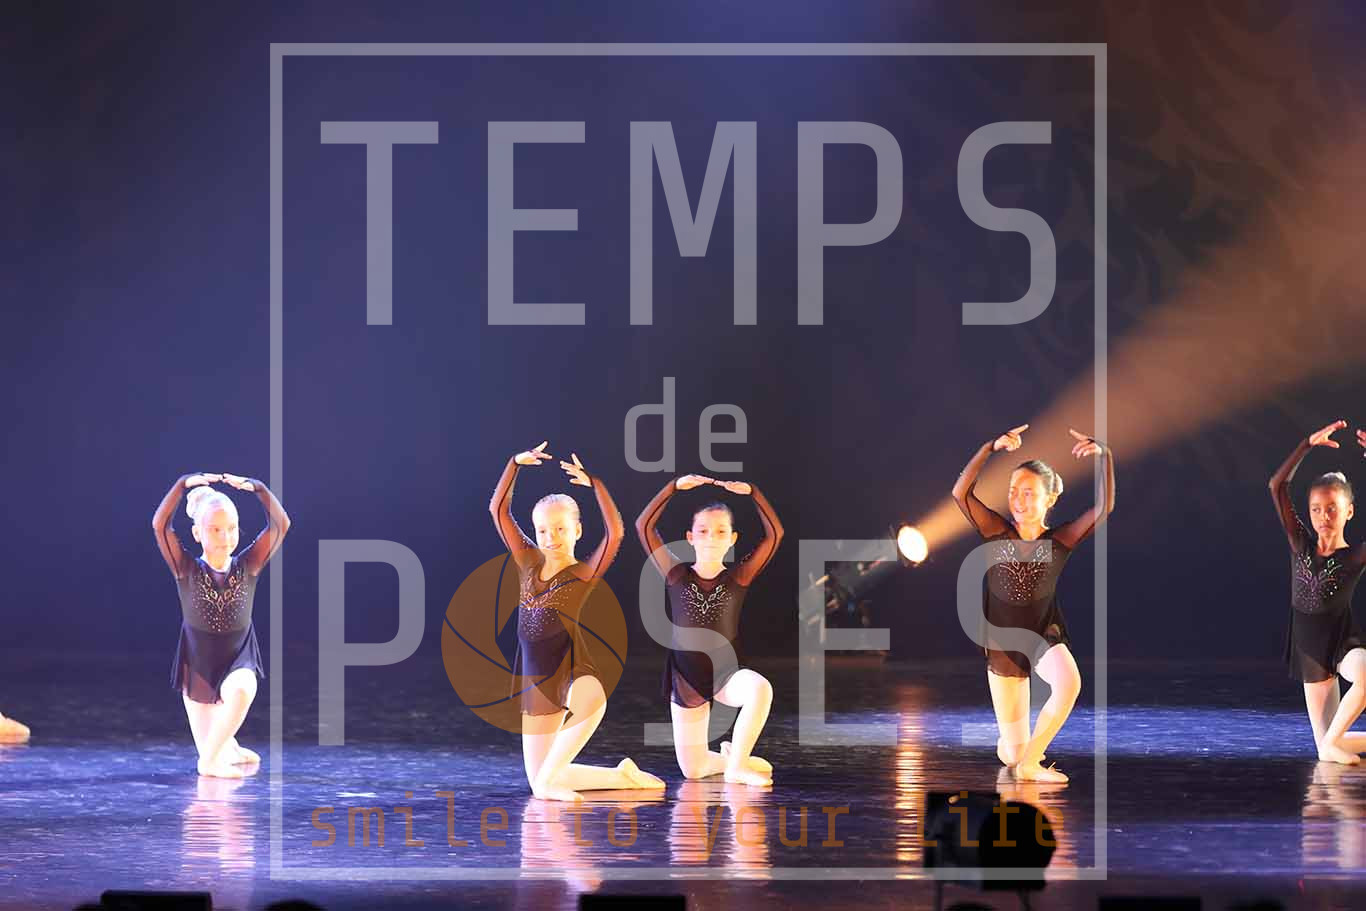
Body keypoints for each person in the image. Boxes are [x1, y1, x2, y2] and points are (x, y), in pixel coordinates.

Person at [490, 442, 665, 802]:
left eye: (560, 529)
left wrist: (595, 484)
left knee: (591, 701)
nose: (550, 538)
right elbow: (498, 510)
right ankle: (623, 778)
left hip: (571, 667)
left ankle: (564, 781)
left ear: (577, 531)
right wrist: (514, 464)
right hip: (536, 679)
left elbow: (615, 534)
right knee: (540, 781)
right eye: (543, 530)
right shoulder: (527, 561)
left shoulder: (583, 574)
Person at [952, 425, 1115, 783]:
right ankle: (1017, 753)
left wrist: (1105, 456)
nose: (1018, 499)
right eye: (1013, 491)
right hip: (1003, 647)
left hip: (1043, 635)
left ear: (1049, 499)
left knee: (1069, 683)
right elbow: (960, 493)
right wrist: (989, 447)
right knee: (1011, 753)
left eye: (1028, 493)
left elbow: (1104, 508)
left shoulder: (1060, 541)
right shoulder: (996, 532)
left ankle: (1033, 761)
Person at [636, 474, 783, 787]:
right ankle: (735, 757)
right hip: (686, 679)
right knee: (694, 770)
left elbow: (775, 535)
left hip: (726, 675)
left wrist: (754, 491)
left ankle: (736, 767)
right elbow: (644, 526)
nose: (711, 538)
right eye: (703, 531)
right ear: (690, 537)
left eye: (720, 531)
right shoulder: (676, 574)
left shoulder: (739, 577)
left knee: (760, 688)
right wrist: (673, 487)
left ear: (732, 538)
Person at [153, 471, 289, 778]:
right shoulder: (185, 568)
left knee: (241, 690)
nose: (225, 537)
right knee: (212, 744)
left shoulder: (248, 565)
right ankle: (229, 749)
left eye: (231, 529)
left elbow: (281, 525)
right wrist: (182, 484)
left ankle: (210, 763)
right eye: (215, 530)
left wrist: (259, 489)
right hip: (199, 666)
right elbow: (160, 525)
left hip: (238, 657)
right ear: (197, 533)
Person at [1269, 420, 1366, 765]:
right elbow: (1277, 485)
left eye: (1332, 509)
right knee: (1326, 749)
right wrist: (1306, 444)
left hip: (1342, 643)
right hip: (1310, 652)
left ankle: (1333, 744)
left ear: (1349, 511)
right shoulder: (1300, 544)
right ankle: (1333, 744)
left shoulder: (1356, 555)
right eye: (1316, 509)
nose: (1323, 516)